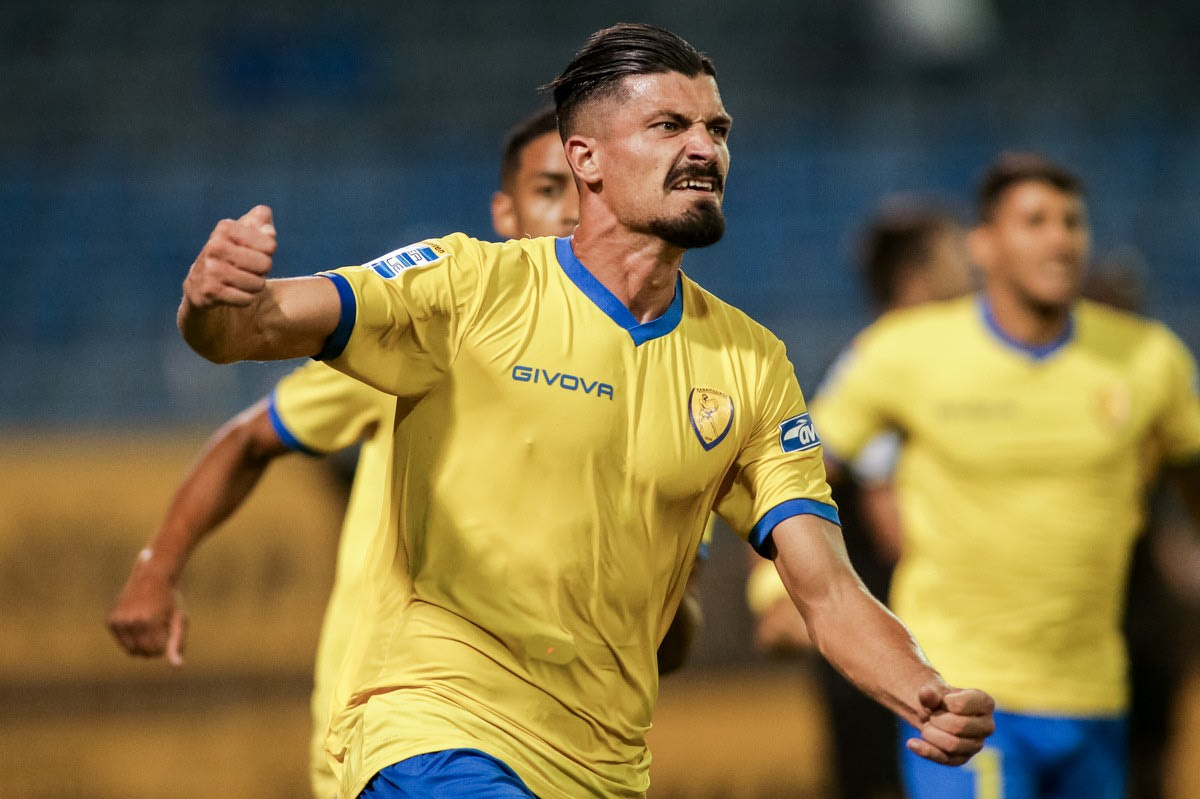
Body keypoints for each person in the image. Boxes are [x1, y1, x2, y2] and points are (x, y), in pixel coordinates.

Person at [175, 23, 994, 799]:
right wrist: (212, 302)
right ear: (586, 160)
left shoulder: (751, 363)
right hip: (433, 728)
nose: (705, 148)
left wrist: (922, 688)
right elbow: (253, 326)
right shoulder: (469, 287)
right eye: (669, 126)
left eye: (716, 128)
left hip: (603, 762)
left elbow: (829, 591)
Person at [107, 106, 606, 799]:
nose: (571, 212)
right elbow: (249, 433)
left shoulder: (654, 372)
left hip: (572, 747)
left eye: (588, 192)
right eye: (549, 190)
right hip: (410, 732)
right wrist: (154, 568)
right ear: (505, 212)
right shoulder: (438, 327)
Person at [811, 152, 1200, 799]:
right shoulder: (904, 352)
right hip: (961, 693)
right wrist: (779, 584)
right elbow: (801, 465)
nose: (1059, 239)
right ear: (984, 245)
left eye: (1072, 221)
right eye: (1035, 221)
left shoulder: (1148, 359)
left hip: (1095, 694)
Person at [748, 198, 974, 799]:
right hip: (889, 634)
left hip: (900, 634)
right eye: (956, 256)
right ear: (915, 275)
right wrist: (776, 592)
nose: (973, 267)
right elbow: (878, 510)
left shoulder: (928, 357)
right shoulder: (892, 360)